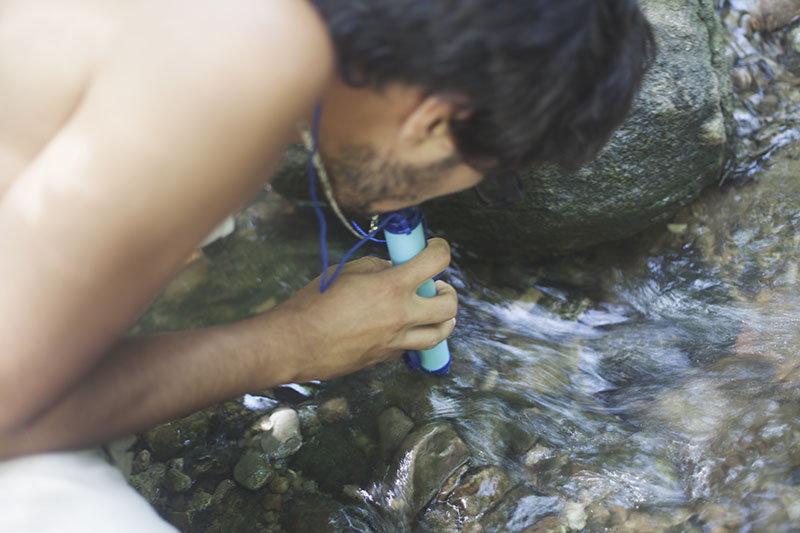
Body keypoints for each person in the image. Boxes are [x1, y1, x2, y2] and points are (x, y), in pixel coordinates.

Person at [0, 0, 655, 530]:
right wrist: (290, 343)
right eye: (490, 174)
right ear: (433, 120)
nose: (438, 198)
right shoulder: (246, 60)